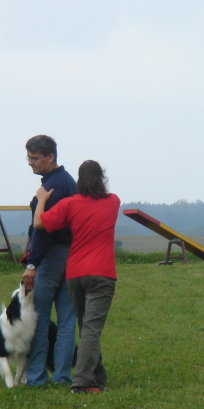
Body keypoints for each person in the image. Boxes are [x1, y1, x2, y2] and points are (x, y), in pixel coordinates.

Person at [33, 160, 120, 393]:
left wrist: (41, 199)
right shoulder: (113, 201)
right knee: (91, 329)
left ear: (79, 181)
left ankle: (98, 375)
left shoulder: (70, 204)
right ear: (101, 177)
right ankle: (81, 382)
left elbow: (38, 223)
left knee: (86, 327)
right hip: (102, 273)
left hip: (75, 274)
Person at [21, 135, 78, 386]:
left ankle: (36, 378)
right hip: (72, 255)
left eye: (34, 158)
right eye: (28, 158)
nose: (30, 163)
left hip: (51, 255)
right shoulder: (69, 182)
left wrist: (32, 264)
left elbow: (43, 229)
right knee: (67, 321)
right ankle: (63, 376)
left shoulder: (51, 187)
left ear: (50, 157)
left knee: (39, 318)